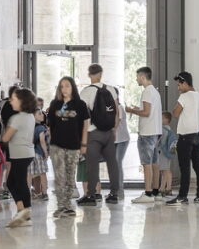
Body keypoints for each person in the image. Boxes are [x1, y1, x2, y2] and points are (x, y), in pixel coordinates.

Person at [45, 76, 90, 219]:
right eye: (62, 86)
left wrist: (83, 144)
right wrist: (50, 143)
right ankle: (60, 206)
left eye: (67, 86)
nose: (64, 89)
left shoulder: (80, 104)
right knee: (59, 177)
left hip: (74, 145)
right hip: (57, 145)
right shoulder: (54, 104)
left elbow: (85, 126)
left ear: (72, 88)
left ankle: (68, 206)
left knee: (70, 176)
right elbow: (50, 125)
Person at [81, 63, 126, 204]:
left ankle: (91, 195)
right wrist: (113, 129)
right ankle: (113, 194)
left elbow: (83, 116)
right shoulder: (111, 90)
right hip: (109, 133)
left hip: (93, 133)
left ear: (89, 75)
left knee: (92, 164)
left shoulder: (86, 92)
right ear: (101, 74)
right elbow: (117, 113)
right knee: (112, 164)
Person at [165, 71, 199, 204]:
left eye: (179, 85)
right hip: (198, 135)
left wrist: (180, 98)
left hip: (185, 136)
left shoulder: (184, 96)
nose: (178, 88)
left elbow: (175, 113)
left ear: (184, 83)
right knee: (197, 165)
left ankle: (182, 196)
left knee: (185, 167)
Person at [2, 88, 38, 214]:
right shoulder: (30, 116)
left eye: (13, 99)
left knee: (19, 183)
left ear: (22, 101)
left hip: (19, 154)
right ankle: (21, 209)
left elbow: (5, 138)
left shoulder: (16, 118)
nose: (10, 102)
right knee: (12, 182)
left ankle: (26, 212)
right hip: (27, 153)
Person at [131, 66, 164, 198]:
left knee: (146, 163)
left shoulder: (147, 92)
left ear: (143, 77)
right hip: (155, 132)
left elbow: (146, 112)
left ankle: (148, 193)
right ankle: (155, 191)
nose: (136, 79)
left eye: (138, 76)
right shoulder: (155, 92)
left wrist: (131, 110)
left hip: (147, 133)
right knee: (155, 162)